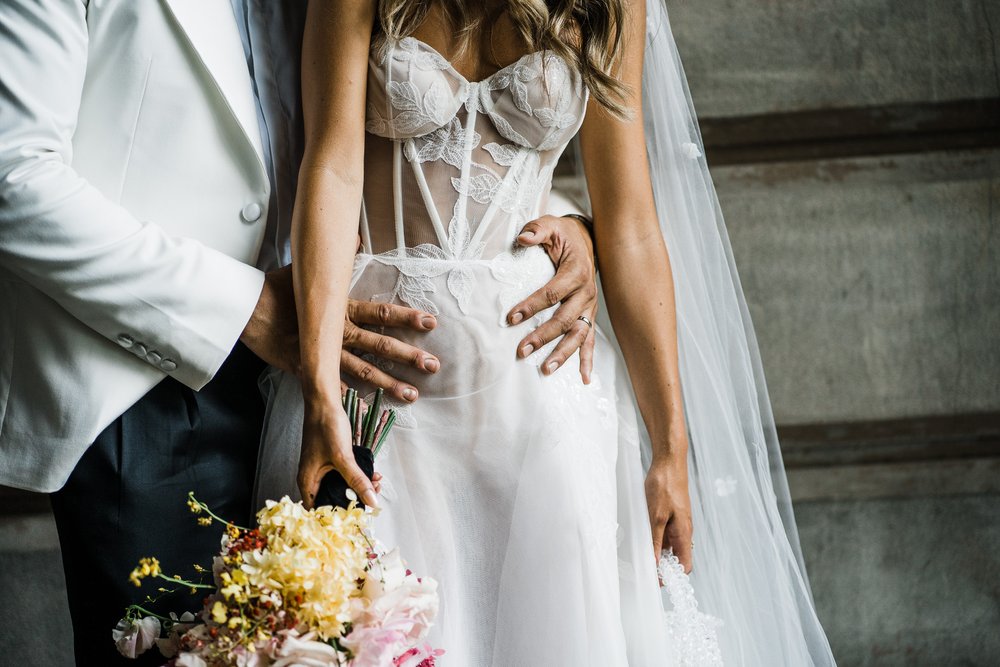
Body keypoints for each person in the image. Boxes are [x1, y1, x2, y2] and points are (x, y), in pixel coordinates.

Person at [0, 1, 599, 663]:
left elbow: (394, 130)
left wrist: (559, 233)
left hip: (339, 394)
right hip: (151, 390)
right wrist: (245, 308)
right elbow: (13, 176)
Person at [256, 0, 839, 665]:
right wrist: (320, 384)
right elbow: (330, 167)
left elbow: (631, 223)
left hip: (539, 390)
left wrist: (670, 447)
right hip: (376, 391)